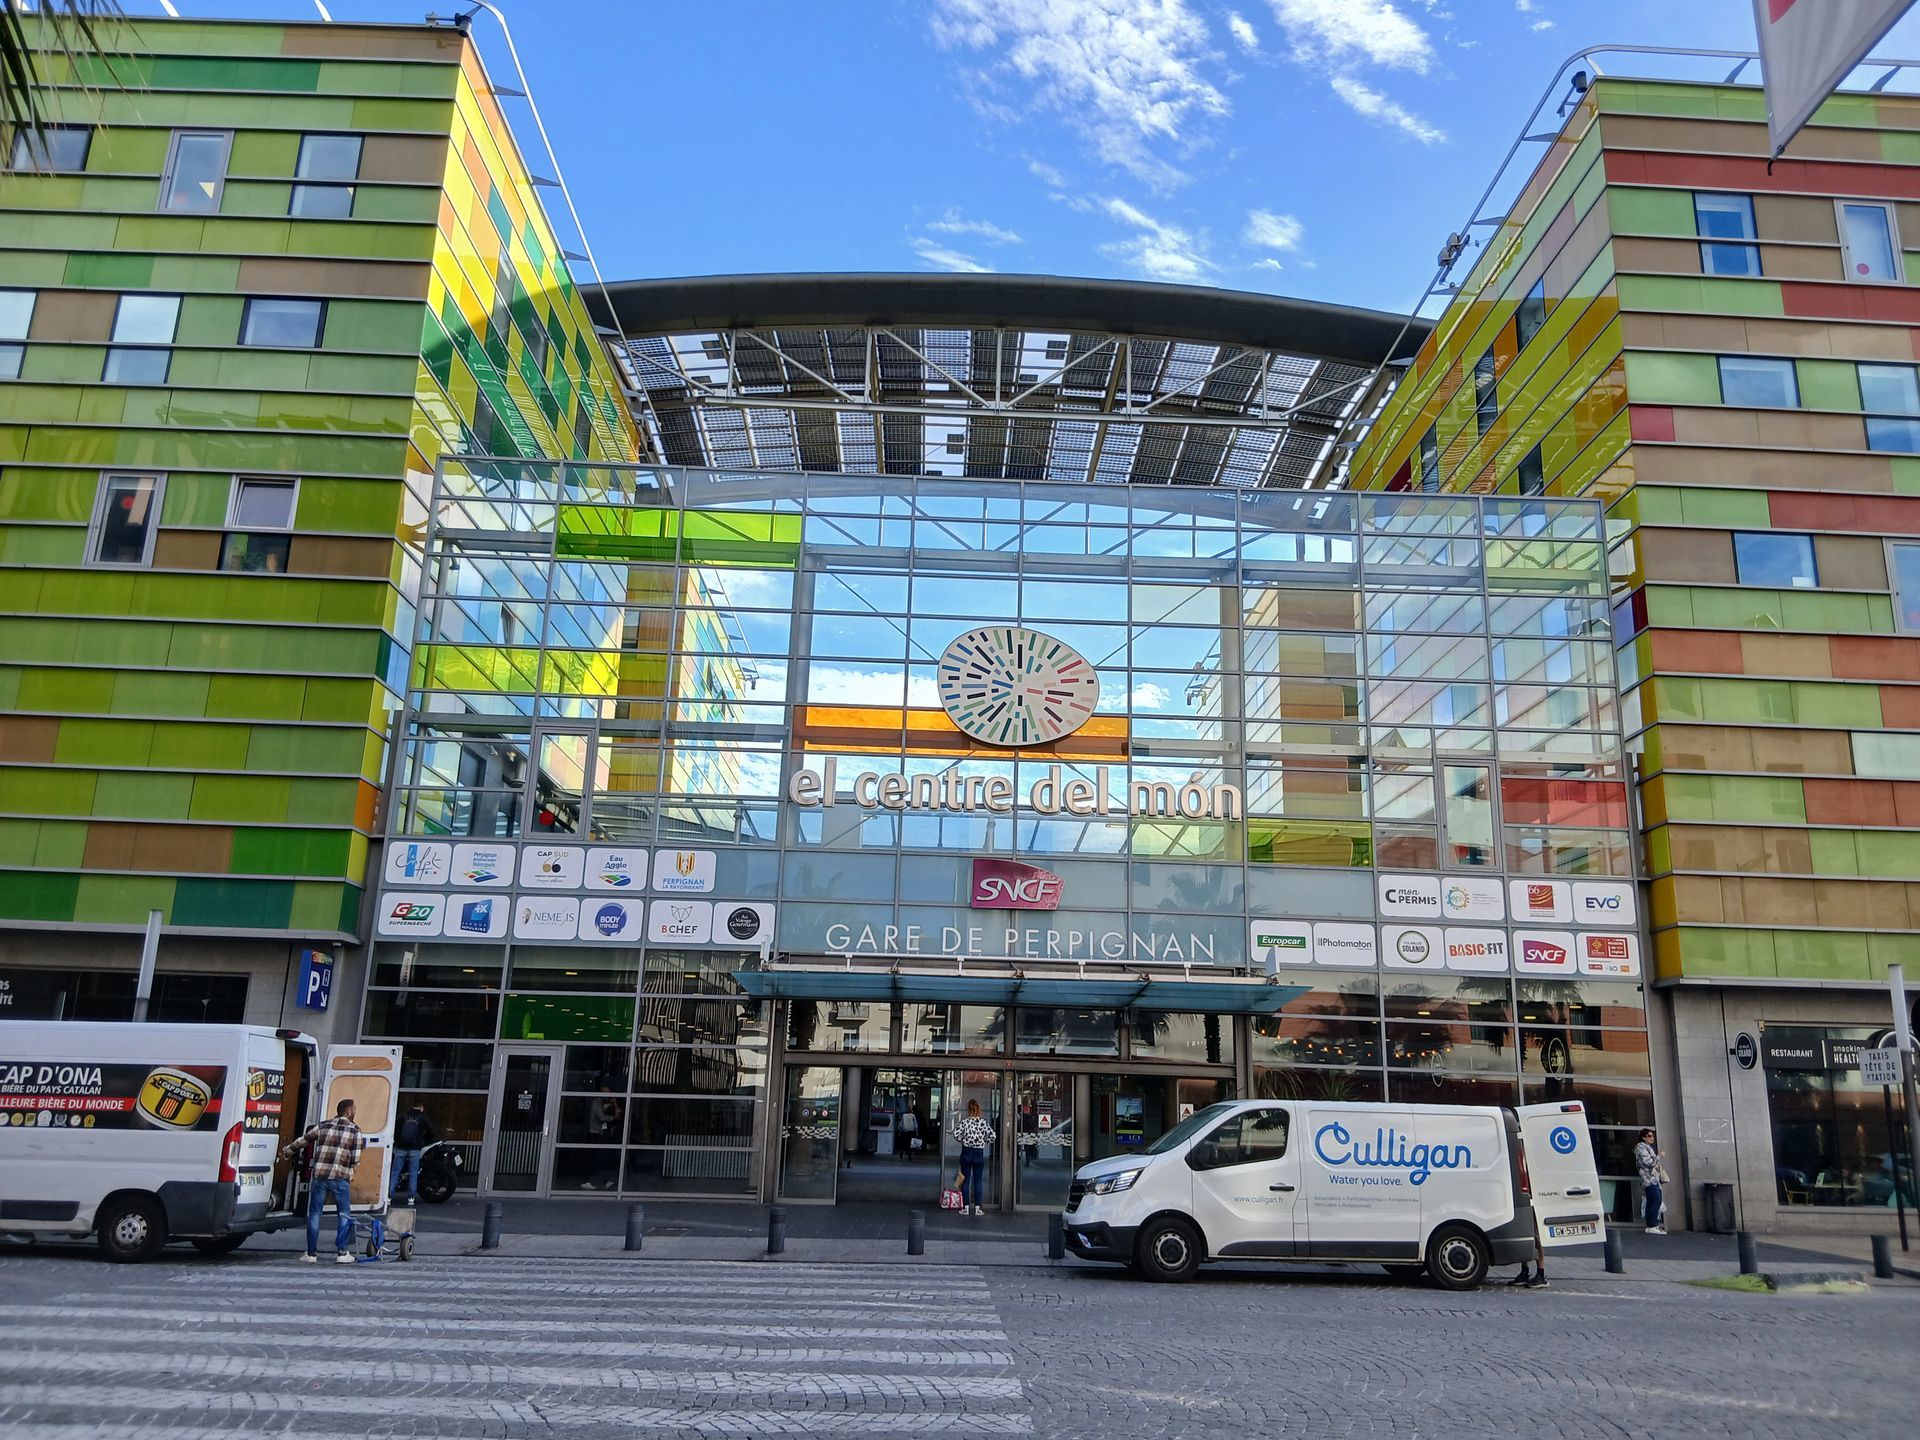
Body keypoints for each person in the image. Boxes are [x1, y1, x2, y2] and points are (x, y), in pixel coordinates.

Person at [286, 1097, 366, 1264]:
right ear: (348, 1111)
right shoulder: (355, 1130)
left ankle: (311, 1254)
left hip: (320, 1176)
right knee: (343, 1214)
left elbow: (304, 1140)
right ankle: (342, 1253)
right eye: (355, 1110)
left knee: (315, 1214)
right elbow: (355, 1159)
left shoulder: (323, 1125)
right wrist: (350, 1165)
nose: (355, 1112)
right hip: (340, 1177)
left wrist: (288, 1151)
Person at [389, 1101, 437, 1205]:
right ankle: (411, 1197)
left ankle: (389, 1195)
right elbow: (430, 1131)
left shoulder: (403, 1115)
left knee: (395, 1172)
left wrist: (397, 1142)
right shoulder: (422, 1117)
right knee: (413, 1172)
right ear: (421, 1107)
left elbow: (395, 1129)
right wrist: (425, 1141)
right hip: (414, 1149)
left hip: (400, 1148)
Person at [955, 1098, 994, 1217]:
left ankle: (966, 1207)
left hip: (966, 1152)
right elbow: (992, 1136)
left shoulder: (965, 1122)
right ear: (978, 1109)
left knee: (965, 1181)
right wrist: (984, 1141)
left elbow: (956, 1134)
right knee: (978, 1181)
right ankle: (977, 1208)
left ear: (969, 1110)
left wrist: (963, 1140)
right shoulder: (983, 1122)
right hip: (978, 1153)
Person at [1635, 1127, 1669, 1234]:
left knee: (1652, 1200)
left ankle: (1650, 1225)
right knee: (1655, 1199)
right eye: (1649, 1136)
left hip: (1652, 1178)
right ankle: (1653, 1225)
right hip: (1648, 1179)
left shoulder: (1647, 1148)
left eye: (1652, 1136)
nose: (1652, 1138)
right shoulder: (1642, 1148)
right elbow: (1648, 1163)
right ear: (1643, 1137)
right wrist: (1659, 1157)